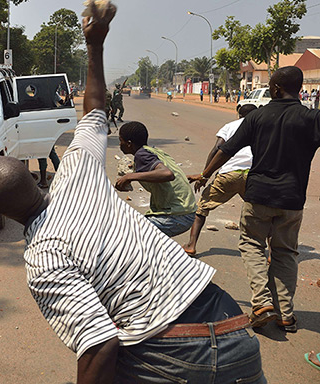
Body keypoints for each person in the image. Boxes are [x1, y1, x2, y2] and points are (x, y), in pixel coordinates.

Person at [0, 0, 265, 383]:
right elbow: (94, 110)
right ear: (34, 178)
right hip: (233, 327)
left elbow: (99, 345)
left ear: (0, 213)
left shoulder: (43, 256)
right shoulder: (78, 173)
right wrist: (95, 43)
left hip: (176, 354)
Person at [189, 66, 320, 334]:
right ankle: (285, 314)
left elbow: (225, 150)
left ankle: (261, 304)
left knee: (252, 244)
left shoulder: (257, 117)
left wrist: (205, 174)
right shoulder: (312, 118)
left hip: (259, 194)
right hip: (292, 199)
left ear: (275, 89)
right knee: (285, 253)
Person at [182, 104, 257, 256]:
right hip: (253, 175)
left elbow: (217, 149)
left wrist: (204, 175)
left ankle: (191, 245)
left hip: (228, 174)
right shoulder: (261, 128)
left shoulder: (229, 126)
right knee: (263, 212)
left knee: (202, 208)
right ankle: (272, 253)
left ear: (238, 115)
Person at [116, 121, 197, 237]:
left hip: (177, 216)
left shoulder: (141, 155)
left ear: (129, 143)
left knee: (129, 232)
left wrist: (130, 177)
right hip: (186, 211)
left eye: (121, 140)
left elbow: (168, 174)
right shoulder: (153, 151)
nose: (119, 144)